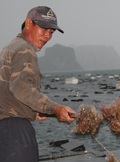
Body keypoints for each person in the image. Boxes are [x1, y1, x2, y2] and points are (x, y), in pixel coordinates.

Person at [0, 6, 76, 162]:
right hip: (15, 132)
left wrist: (38, 111)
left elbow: (8, 90)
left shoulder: (10, 47)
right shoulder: (25, 50)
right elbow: (22, 89)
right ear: (29, 23)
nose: (47, 36)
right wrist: (56, 108)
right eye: (44, 29)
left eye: (51, 32)